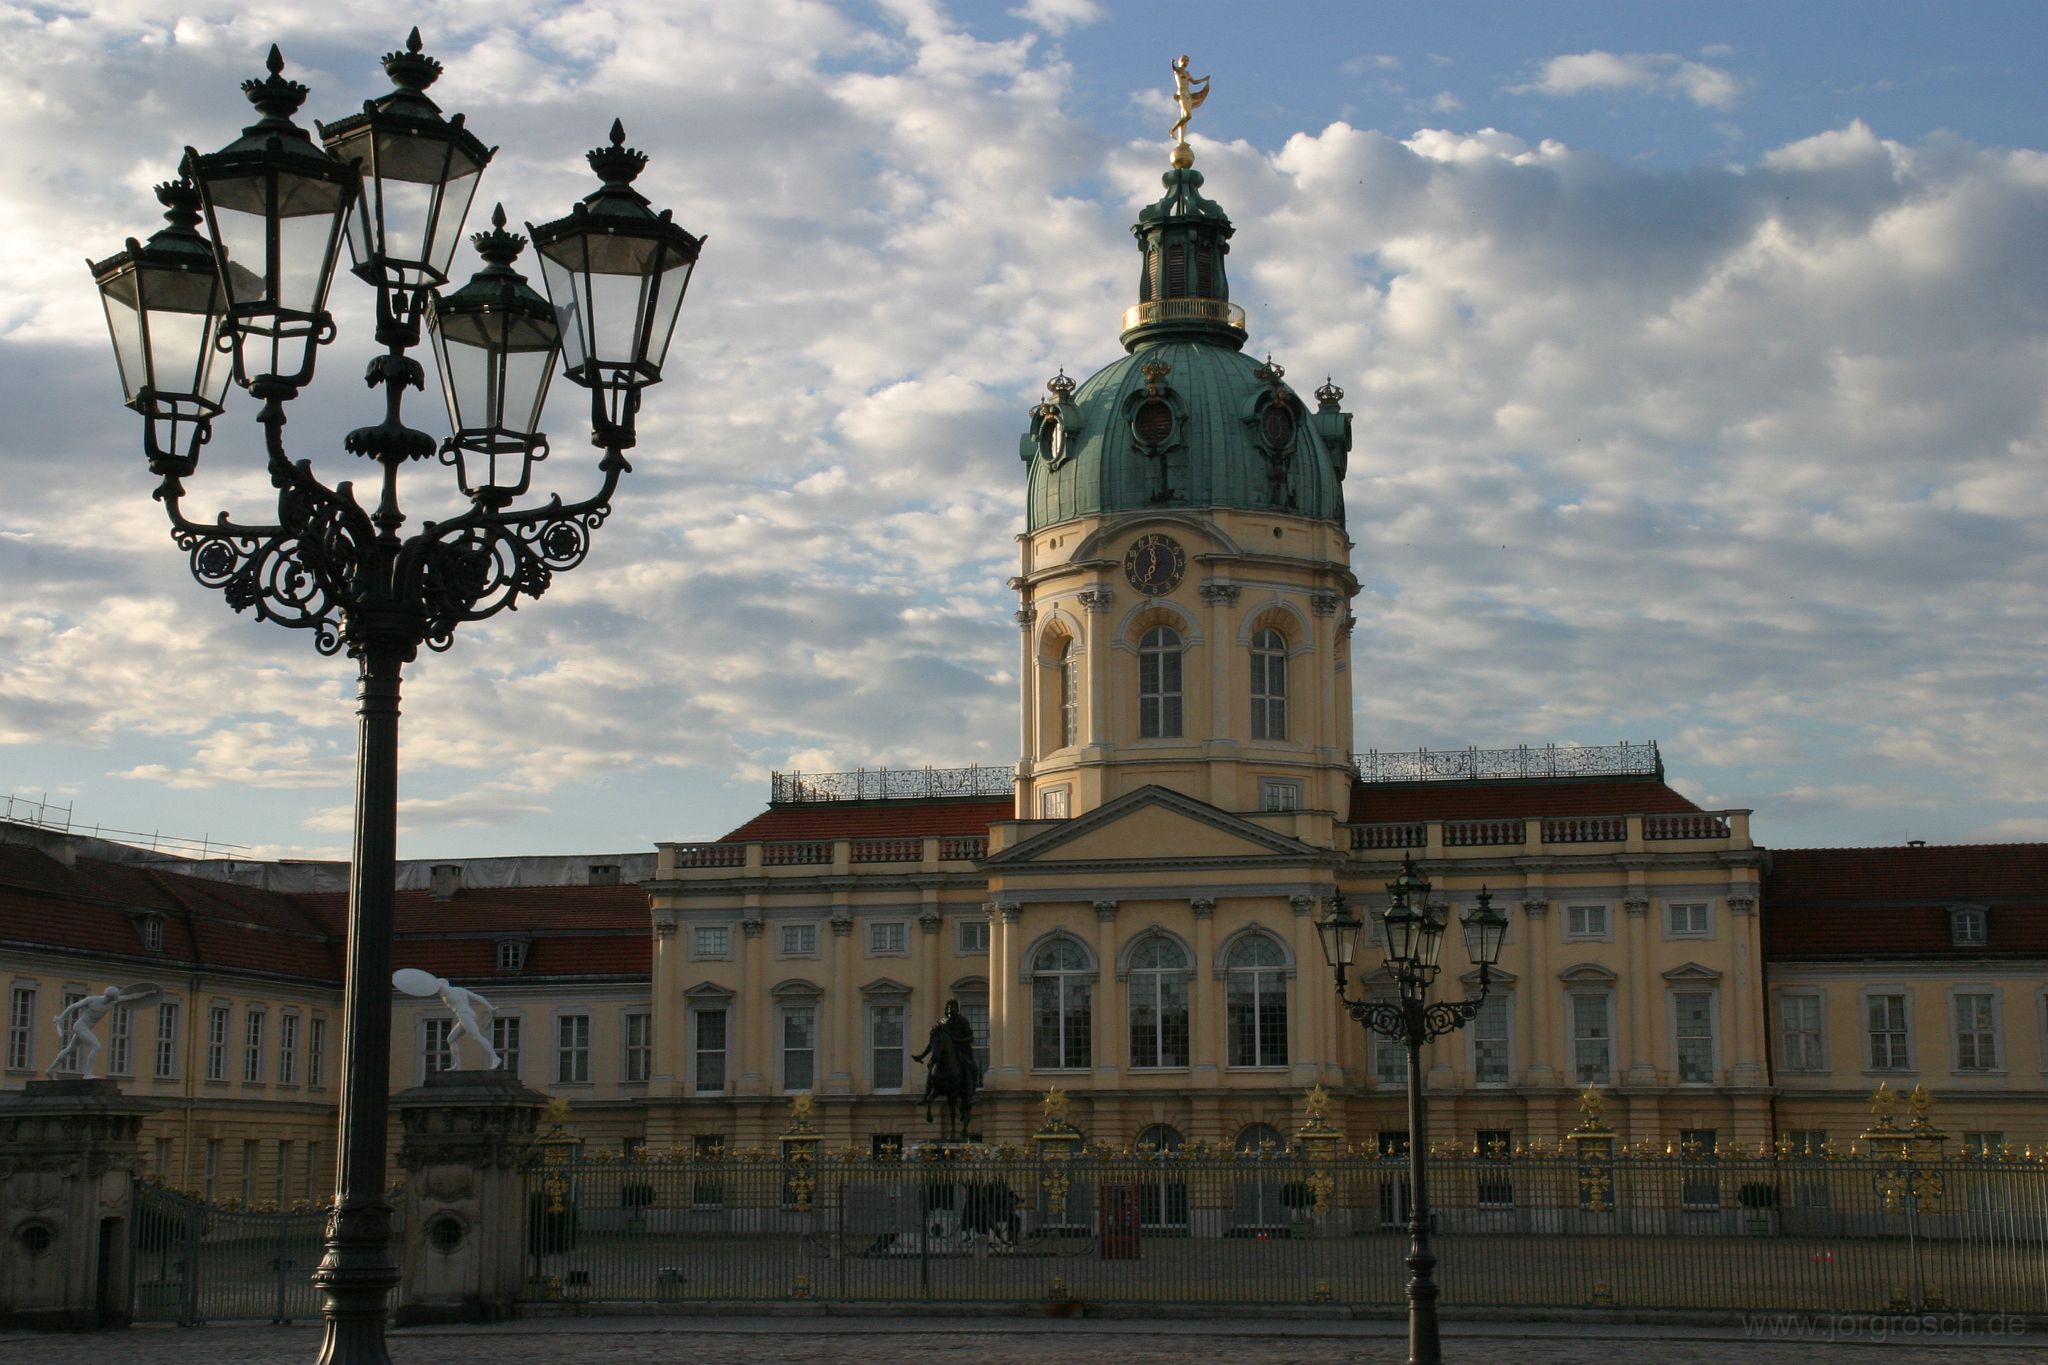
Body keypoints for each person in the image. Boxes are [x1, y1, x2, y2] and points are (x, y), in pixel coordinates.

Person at [48, 983, 159, 1079]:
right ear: (110, 997)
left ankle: (50, 1070)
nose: (116, 999)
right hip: (80, 1026)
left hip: (87, 1027)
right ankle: (87, 1074)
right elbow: (73, 1007)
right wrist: (61, 1017)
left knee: (69, 1049)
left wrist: (148, 992)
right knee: (96, 1046)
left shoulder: (114, 1001)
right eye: (115, 997)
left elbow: (132, 996)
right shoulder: (92, 1000)